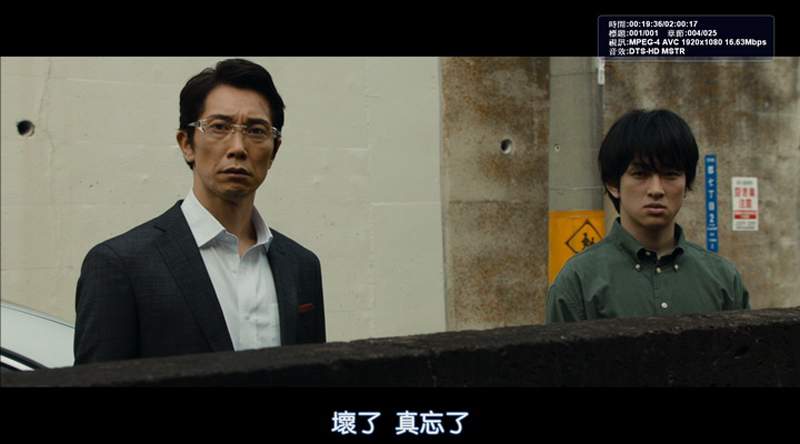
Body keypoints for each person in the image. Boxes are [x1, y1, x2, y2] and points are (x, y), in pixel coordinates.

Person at [74, 59, 325, 364]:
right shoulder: (121, 265)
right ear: (186, 144)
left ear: (275, 149)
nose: (238, 147)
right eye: (219, 127)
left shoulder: (301, 266)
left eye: (256, 130)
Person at [546, 109, 749, 323]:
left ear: (686, 184)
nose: (656, 189)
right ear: (613, 184)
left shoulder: (724, 279)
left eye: (670, 174)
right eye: (640, 174)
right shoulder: (578, 281)